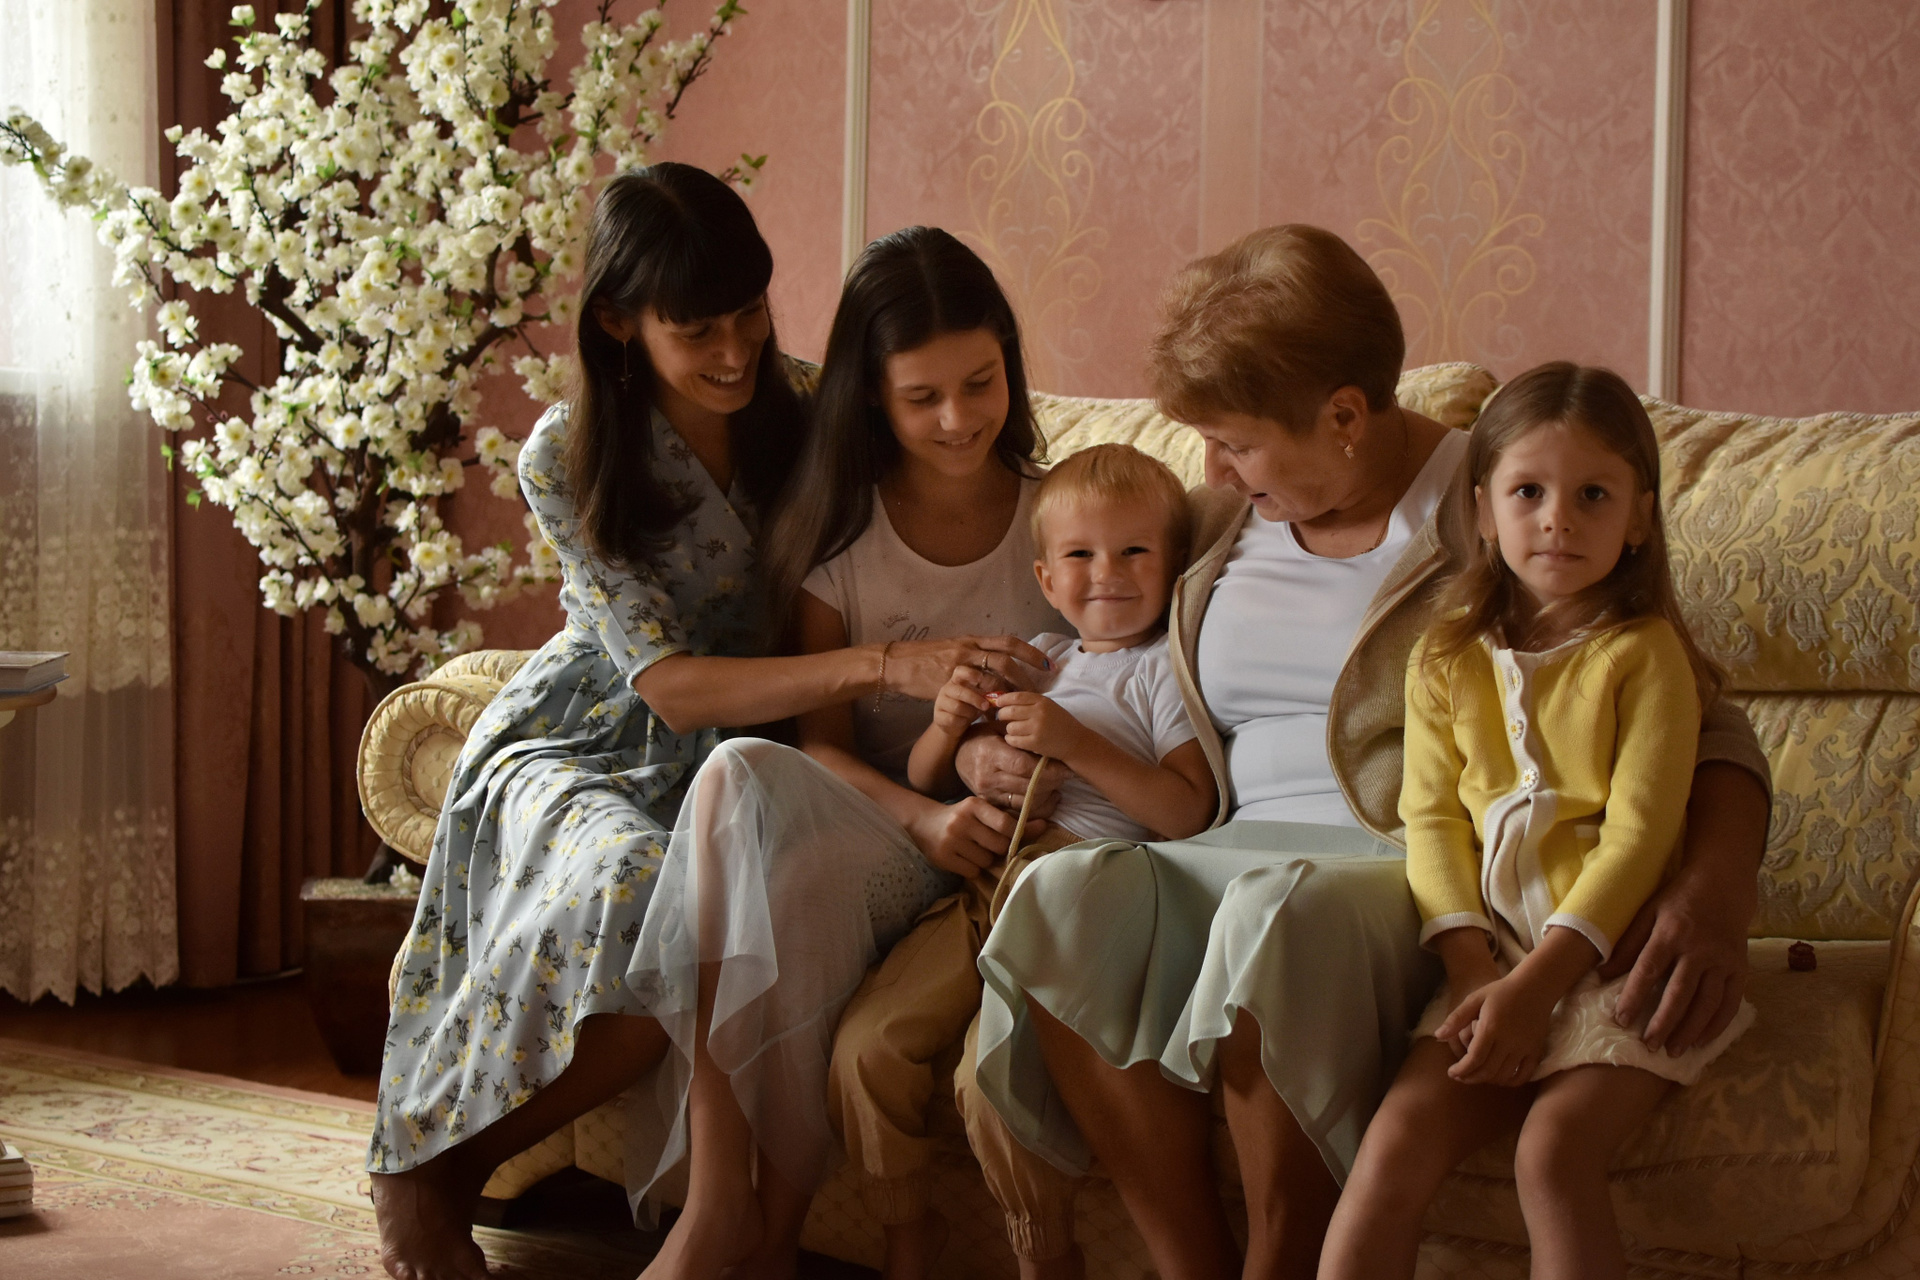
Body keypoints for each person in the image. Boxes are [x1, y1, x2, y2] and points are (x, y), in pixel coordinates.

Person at [963, 226, 1774, 1280]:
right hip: (1226, 847)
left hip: (1398, 867)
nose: (1213, 468)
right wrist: (985, 751)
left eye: (1238, 442)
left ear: (1345, 416)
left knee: (1274, 916)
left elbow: (1700, 717)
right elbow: (1105, 660)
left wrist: (1714, 890)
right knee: (1059, 900)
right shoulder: (1218, 519)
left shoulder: (1503, 498)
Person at [366, 173, 1045, 1280]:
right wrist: (887, 665)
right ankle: (424, 1170)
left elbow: (941, 516)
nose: (735, 353)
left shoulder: (813, 408)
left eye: (750, 315)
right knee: (638, 883)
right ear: (617, 321)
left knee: (690, 905)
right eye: (697, 331)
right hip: (599, 732)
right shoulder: (565, 453)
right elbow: (672, 689)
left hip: (763, 750)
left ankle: (473, 1172)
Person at [625, 226, 1074, 1280]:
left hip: (1018, 843)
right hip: (893, 828)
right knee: (741, 779)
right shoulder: (840, 539)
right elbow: (819, 750)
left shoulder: (1061, 517)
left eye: (981, 383)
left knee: (787, 870)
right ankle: (736, 1209)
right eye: (923, 397)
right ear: (872, 394)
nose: (958, 418)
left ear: (1010, 364)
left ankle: (763, 1231)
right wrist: (925, 818)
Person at [1319, 362, 1757, 1280]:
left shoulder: (1645, 656)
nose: (1558, 518)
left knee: (1551, 1155)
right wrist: (1474, 970)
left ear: (1639, 517)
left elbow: (1639, 836)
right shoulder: (1442, 657)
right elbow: (1432, 822)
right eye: (1529, 492)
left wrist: (1536, 988)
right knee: (1389, 1151)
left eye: (1593, 494)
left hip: (1612, 969)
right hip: (1488, 966)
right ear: (1483, 509)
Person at [834, 443, 1216, 1280]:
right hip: (981, 881)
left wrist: (1075, 743)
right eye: (1080, 554)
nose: (1106, 574)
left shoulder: (1163, 673)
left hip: (1077, 893)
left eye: (1134, 550)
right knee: (868, 1044)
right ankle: (905, 1229)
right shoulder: (1040, 657)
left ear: (1175, 564)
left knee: (991, 1081)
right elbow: (926, 779)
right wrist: (950, 730)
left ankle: (1048, 1254)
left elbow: (1188, 811)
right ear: (1044, 577)